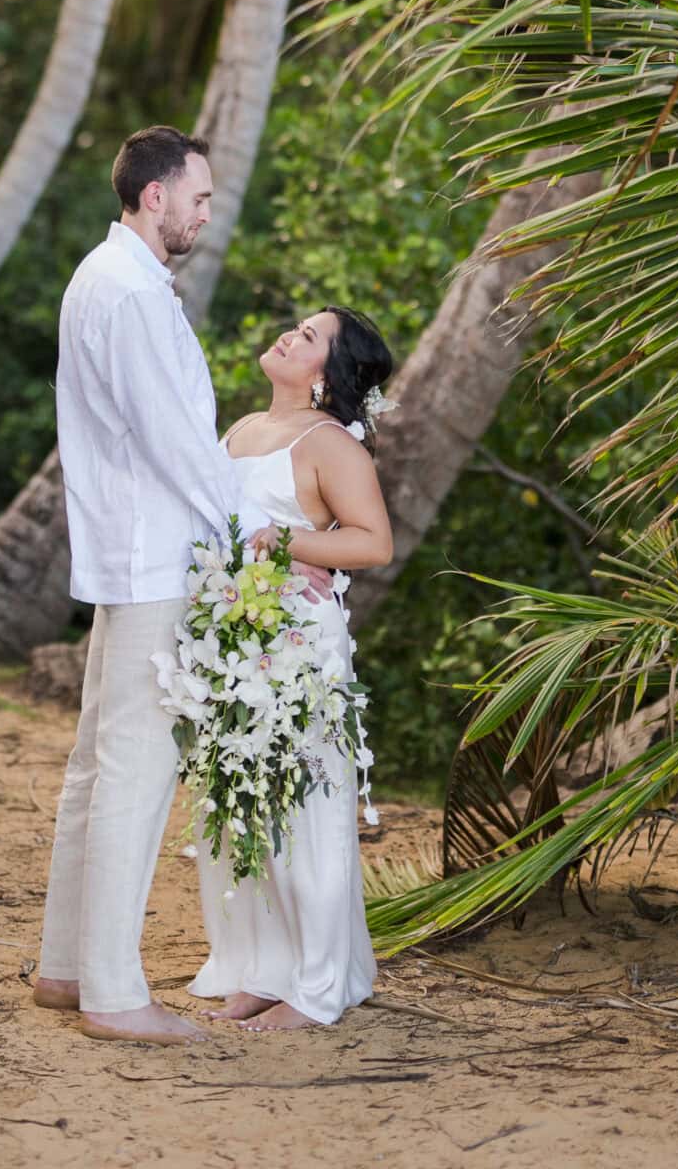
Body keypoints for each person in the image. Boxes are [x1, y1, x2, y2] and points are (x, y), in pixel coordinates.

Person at [32, 125, 329, 1046]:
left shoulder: (112, 281)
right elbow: (173, 445)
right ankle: (113, 994)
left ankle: (66, 966)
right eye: (198, 196)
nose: (206, 212)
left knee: (97, 764)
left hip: (134, 555)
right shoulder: (126, 294)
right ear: (154, 195)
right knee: (133, 770)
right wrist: (261, 545)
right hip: (155, 558)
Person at [188, 304, 394, 1033]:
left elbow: (372, 544)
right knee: (240, 802)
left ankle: (318, 983)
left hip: (299, 645)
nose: (286, 334)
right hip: (231, 639)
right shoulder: (241, 430)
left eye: (308, 337)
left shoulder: (329, 443)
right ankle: (260, 966)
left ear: (326, 374)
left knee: (304, 809)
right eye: (294, 326)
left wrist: (288, 545)